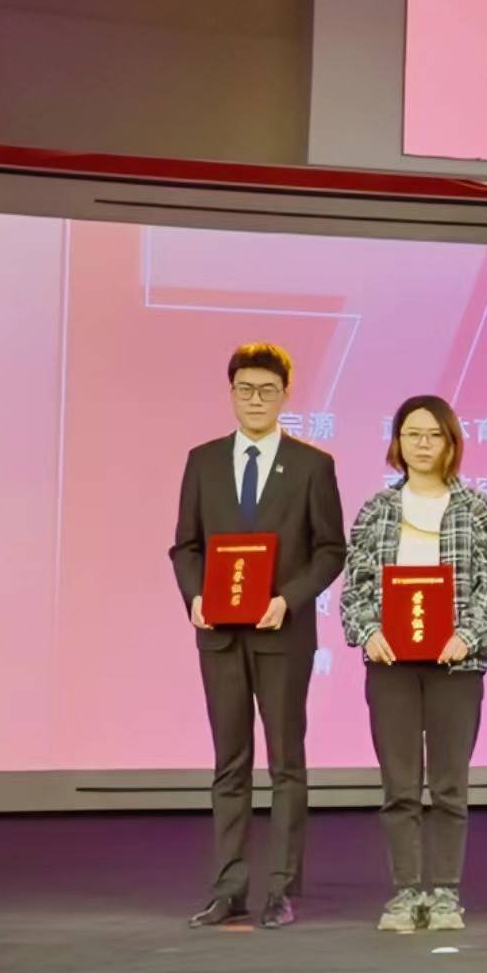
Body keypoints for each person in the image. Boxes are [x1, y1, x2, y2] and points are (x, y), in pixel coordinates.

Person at [170, 341, 347, 930]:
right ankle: (229, 888)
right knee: (230, 762)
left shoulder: (312, 465)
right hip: (220, 635)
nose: (255, 399)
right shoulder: (202, 461)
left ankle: (281, 888)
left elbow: (331, 550)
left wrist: (287, 599)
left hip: (282, 634)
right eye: (245, 389)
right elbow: (186, 545)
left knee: (286, 762)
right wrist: (196, 596)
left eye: (267, 390)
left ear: (285, 395)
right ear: (231, 393)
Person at [339, 395, 487, 933]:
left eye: (434, 435)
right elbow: (355, 585)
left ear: (451, 443)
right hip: (391, 665)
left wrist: (468, 635)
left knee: (449, 786)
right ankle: (405, 892)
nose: (422, 444)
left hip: (456, 667)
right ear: (397, 442)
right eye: (412, 434)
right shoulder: (377, 509)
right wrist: (368, 632)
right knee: (399, 786)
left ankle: (445, 895)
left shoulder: (476, 508)